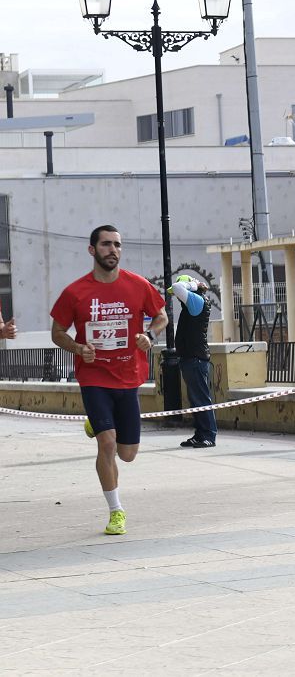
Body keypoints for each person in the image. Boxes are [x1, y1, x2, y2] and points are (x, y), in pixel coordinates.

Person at [50, 225, 167, 536]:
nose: (112, 250)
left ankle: (95, 423)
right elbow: (57, 333)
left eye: (117, 245)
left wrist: (149, 336)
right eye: (105, 245)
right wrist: (77, 347)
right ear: (92, 250)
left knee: (127, 454)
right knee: (108, 443)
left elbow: (162, 316)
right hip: (94, 377)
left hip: (129, 376)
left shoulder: (138, 285)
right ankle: (116, 511)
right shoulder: (74, 292)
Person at [168, 274, 217, 448]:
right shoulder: (191, 305)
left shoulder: (197, 301)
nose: (178, 297)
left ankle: (208, 436)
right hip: (190, 359)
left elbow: (178, 287)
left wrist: (193, 285)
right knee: (196, 400)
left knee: (201, 399)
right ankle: (200, 434)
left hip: (195, 359)